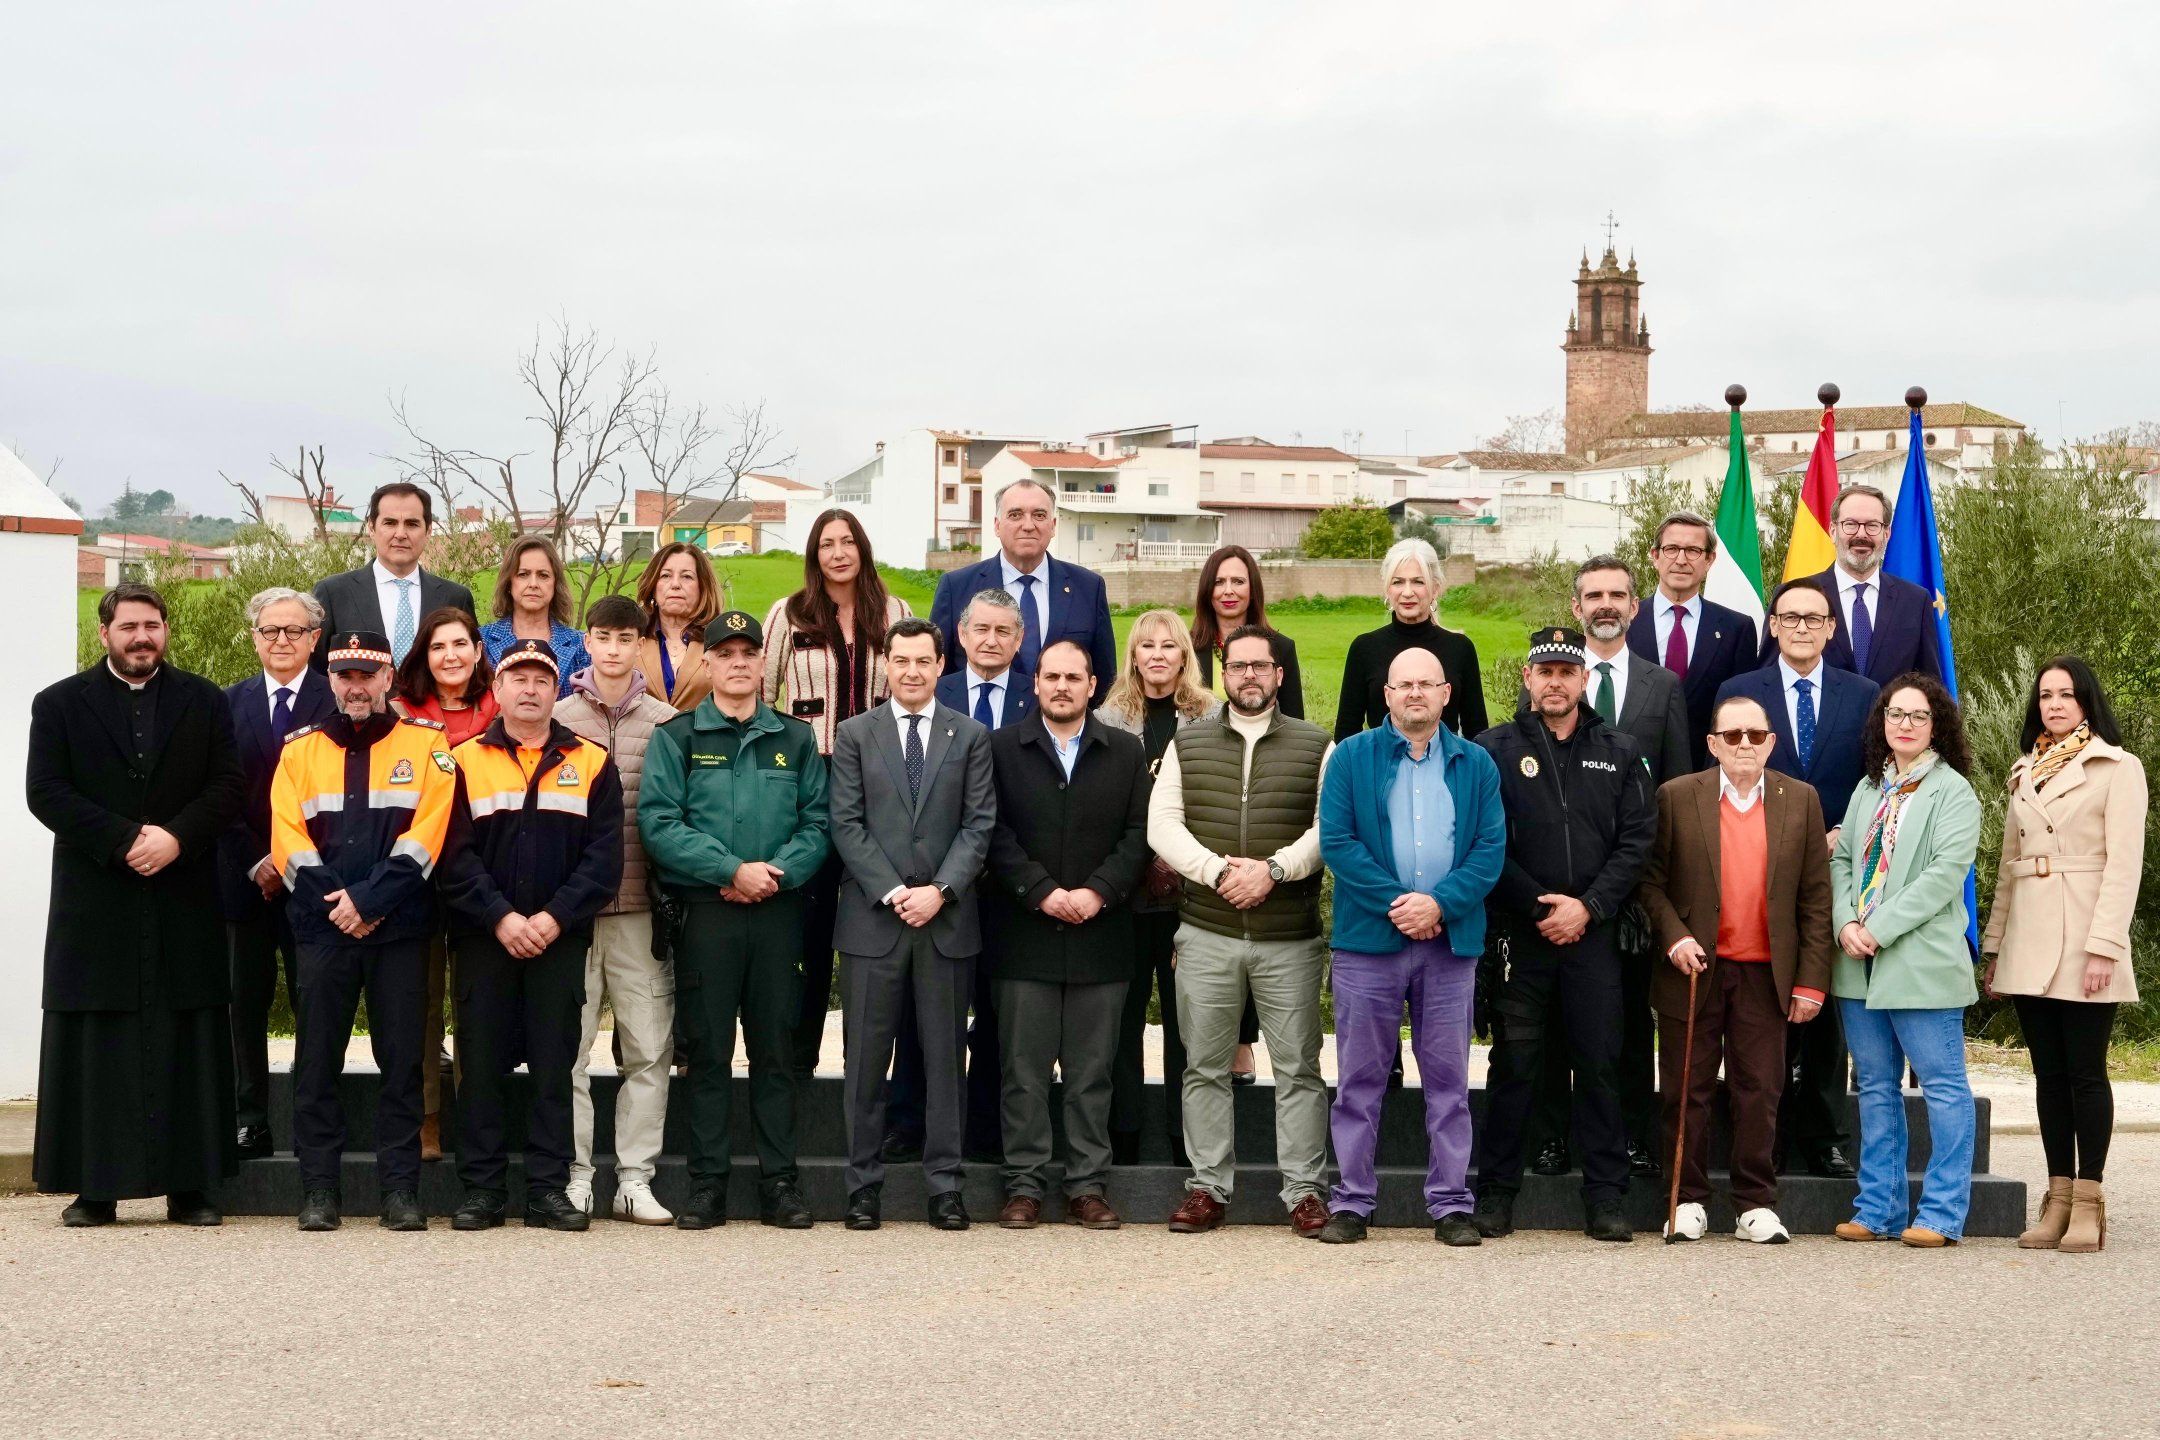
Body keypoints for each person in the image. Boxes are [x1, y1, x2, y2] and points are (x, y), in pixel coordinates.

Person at [28, 585, 244, 1227]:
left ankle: (193, 1187)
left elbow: (228, 786)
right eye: (128, 627)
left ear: (166, 631)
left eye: (152, 625)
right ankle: (94, 1189)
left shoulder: (204, 701)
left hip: (183, 891)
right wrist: (125, 841)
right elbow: (45, 792)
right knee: (98, 1040)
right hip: (97, 898)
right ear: (104, 634)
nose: (141, 637)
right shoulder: (60, 704)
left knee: (189, 1033)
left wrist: (175, 838)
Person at [641, 609, 831, 1230]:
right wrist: (730, 871)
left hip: (778, 912)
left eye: (750, 652)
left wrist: (771, 874)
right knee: (708, 1051)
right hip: (707, 916)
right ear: (709, 662)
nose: (740, 662)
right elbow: (660, 824)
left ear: (762, 663)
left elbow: (818, 823)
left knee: (777, 1050)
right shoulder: (678, 737)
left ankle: (781, 1184)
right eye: (726, 653)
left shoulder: (796, 740)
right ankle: (707, 1185)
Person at [1147, 625, 1334, 1238]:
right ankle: (1207, 1188)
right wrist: (1221, 872)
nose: (1249, 675)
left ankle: (1304, 1192)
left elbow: (1326, 829)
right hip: (1206, 930)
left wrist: (1275, 871)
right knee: (1203, 1066)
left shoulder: (1316, 745)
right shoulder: (1188, 743)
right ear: (1222, 673)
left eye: (1262, 666)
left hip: (1290, 938)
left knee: (1298, 1069)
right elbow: (1163, 827)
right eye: (1238, 666)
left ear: (1280, 675)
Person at [1314, 648, 1506, 1246]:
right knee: (1359, 1080)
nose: (1415, 694)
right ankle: (1351, 1202)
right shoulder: (1351, 757)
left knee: (1449, 1082)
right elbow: (1338, 843)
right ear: (1388, 695)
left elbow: (1489, 849)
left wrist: (1439, 905)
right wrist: (1401, 903)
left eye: (1427, 684)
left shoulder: (1477, 764)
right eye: (1404, 685)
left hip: (1449, 945)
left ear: (1447, 694)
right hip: (1370, 943)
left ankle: (1450, 1203)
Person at [1471, 627, 1656, 1244]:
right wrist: (1538, 906)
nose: (1555, 681)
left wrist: (1589, 906)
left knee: (1600, 1066)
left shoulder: (1620, 749)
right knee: (1515, 1064)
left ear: (1583, 679)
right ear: (1528, 678)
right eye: (1544, 670)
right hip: (1521, 937)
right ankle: (1496, 1192)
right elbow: (1482, 840)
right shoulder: (1491, 749)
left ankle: (1605, 1197)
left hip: (1595, 935)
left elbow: (1637, 842)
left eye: (1566, 671)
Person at [270, 630, 456, 1232]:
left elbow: (429, 833)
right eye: (345, 675)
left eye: (367, 675)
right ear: (330, 678)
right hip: (324, 931)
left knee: (402, 1062)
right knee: (316, 1060)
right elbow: (287, 838)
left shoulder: (428, 746)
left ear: (388, 679)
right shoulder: (299, 750)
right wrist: (340, 905)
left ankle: (400, 1190)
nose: (356, 686)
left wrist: (370, 900)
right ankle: (319, 1189)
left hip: (398, 928)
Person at [438, 640, 623, 1233]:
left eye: (541, 679)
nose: (529, 689)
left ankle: (547, 1191)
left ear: (557, 689)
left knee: (553, 1067)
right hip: (482, 941)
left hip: (558, 941)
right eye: (517, 677)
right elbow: (451, 856)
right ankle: (483, 1191)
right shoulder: (461, 760)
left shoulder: (593, 762)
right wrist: (501, 917)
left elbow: (602, 861)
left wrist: (551, 918)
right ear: (497, 687)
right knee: (482, 1068)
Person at [1637, 695, 1835, 1244]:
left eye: (1755, 734)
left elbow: (1816, 900)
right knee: (1686, 1089)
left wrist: (1812, 980)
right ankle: (1687, 1201)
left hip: (1766, 973)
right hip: (1693, 969)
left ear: (1772, 741)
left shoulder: (1801, 801)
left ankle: (1756, 1203)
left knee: (1760, 1089)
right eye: (1732, 735)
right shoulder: (1677, 797)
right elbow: (1648, 882)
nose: (1744, 744)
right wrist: (1674, 935)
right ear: (1712, 744)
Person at [828, 617, 997, 1231]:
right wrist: (898, 892)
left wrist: (941, 891)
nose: (912, 672)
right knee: (866, 1062)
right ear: (886, 665)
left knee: (945, 1061)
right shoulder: (854, 734)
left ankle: (945, 1187)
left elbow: (979, 826)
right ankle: (862, 1186)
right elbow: (845, 824)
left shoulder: (971, 735)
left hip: (946, 923)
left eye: (924, 661)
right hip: (875, 923)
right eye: (901, 661)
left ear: (939, 664)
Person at [1525, 554, 1691, 1182]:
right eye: (1593, 594)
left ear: (1635, 606)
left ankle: (1632, 1137)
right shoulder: (1549, 678)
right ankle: (1552, 1139)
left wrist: (1646, 886)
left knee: (1625, 1022)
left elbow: (1674, 788)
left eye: (1617, 594)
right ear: (1576, 607)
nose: (1605, 604)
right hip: (1554, 893)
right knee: (1553, 1024)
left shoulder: (1662, 684)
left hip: (1632, 887)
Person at [983, 640, 1152, 1229]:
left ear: (1092, 685)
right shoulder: (1002, 749)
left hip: (1101, 937)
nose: (1060, 686)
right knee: (1022, 1074)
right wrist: (1042, 892)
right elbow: (992, 832)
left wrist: (1097, 891)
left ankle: (1086, 1186)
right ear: (1034, 683)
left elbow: (1139, 835)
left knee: (1091, 1076)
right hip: (1023, 935)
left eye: (1072, 677)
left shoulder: (1126, 752)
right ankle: (1024, 1186)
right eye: (1050, 676)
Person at [1717, 578, 1878, 1181]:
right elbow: (1723, 768)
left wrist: (1846, 834)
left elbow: (1876, 776)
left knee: (1825, 1004)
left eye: (1815, 618)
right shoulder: (1739, 691)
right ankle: (1764, 1132)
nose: (1803, 627)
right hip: (1752, 867)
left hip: (1838, 865)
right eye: (1790, 617)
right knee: (1761, 1006)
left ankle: (1827, 1133)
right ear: (1774, 626)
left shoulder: (1863, 694)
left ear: (1832, 628)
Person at [1983, 656, 2145, 1253]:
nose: (2054, 704)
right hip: (2029, 935)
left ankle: (2089, 1199)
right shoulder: (2026, 771)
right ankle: (2054, 1197)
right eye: (2046, 694)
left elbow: (2125, 866)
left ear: (2087, 702)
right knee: (2047, 1077)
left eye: (2067, 694)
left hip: (2084, 936)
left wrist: (2105, 945)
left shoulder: (2117, 767)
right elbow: (2008, 868)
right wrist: (1995, 946)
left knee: (2085, 1073)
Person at [1829, 673, 1981, 1248]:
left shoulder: (1954, 792)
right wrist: (1846, 921)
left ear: (1936, 724)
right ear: (1883, 722)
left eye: (1918, 716)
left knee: (1943, 1087)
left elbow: (1944, 877)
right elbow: (1842, 860)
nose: (1906, 725)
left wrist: (1877, 928)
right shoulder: (1869, 789)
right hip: (1857, 962)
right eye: (1897, 714)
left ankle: (1940, 1214)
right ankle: (1878, 1209)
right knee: (1874, 1088)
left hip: (1919, 964)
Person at [882, 588, 1032, 1163]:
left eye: (1004, 632)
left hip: (1011, 880)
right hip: (933, 884)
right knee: (919, 1014)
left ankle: (985, 1132)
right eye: (981, 630)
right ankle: (908, 1122)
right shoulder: (926, 691)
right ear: (961, 637)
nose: (991, 640)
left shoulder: (1036, 694)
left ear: (1019, 642)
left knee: (997, 1013)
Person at [761, 508, 912, 1075]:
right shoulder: (788, 613)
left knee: (874, 919)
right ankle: (795, 1063)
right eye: (827, 543)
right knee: (811, 923)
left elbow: (909, 684)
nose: (839, 552)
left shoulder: (895, 612)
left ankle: (868, 1069)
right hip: (811, 773)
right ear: (814, 553)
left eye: (848, 541)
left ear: (863, 548)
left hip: (880, 774)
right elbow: (761, 687)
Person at [555, 594, 682, 1224]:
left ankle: (636, 1176)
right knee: (570, 1052)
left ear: (639, 643)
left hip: (638, 909)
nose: (612, 648)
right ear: (586, 639)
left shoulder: (666, 722)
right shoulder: (556, 719)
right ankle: (577, 1173)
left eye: (625, 637)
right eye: (602, 635)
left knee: (648, 1049)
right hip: (572, 916)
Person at [1097, 609, 1219, 1167]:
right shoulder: (1106, 718)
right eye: (1147, 645)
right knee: (1120, 1024)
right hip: (1123, 897)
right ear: (1133, 654)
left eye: (1169, 646)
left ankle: (1181, 1140)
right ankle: (1122, 1137)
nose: (1157, 655)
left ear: (1184, 656)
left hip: (1188, 900)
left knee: (1186, 1027)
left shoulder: (1212, 716)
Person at [220, 587, 335, 1161]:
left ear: (316, 639)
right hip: (245, 881)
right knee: (245, 1001)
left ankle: (313, 1118)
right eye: (270, 631)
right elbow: (217, 793)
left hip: (314, 881)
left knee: (315, 997)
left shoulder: (336, 702)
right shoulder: (225, 704)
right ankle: (249, 1117)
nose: (282, 641)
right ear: (255, 638)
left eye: (294, 631)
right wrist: (257, 860)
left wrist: (290, 859)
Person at [391, 605, 500, 1157]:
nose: (450, 656)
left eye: (460, 644)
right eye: (438, 647)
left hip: (486, 874)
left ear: (478, 650)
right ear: (424, 656)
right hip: (421, 876)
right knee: (425, 1002)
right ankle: (428, 1118)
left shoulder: (501, 707)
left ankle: (478, 1115)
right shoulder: (402, 713)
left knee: (477, 1000)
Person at [928, 476, 1116, 701]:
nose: (1028, 526)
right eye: (1015, 515)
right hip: (981, 729)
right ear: (997, 525)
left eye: (1039, 515)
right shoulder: (957, 587)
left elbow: (1104, 678)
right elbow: (936, 670)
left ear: (1053, 525)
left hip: (1061, 730)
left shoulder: (1088, 588)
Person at [1627, 510, 1759, 769]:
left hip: (1708, 770)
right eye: (1672, 549)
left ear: (1710, 559)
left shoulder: (1737, 628)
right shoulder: (1625, 622)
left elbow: (1739, 708)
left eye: (1693, 551)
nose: (1681, 559)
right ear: (1655, 556)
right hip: (1634, 768)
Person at [1789, 485, 1943, 686]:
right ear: (1833, 531)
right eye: (1850, 524)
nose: (1861, 534)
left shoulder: (1915, 601)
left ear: (1886, 534)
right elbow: (1770, 679)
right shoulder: (1795, 596)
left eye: (1872, 525)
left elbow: (1929, 684)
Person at [312, 481, 477, 669]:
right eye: (390, 523)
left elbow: (470, 669)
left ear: (429, 531)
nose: (400, 534)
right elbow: (316, 671)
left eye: (412, 524)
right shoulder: (333, 593)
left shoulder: (456, 598)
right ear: (372, 528)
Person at [1335, 537, 1487, 741]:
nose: (1408, 592)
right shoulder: (1364, 648)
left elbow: (1477, 733)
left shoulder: (1460, 648)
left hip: (1445, 769)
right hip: (1381, 770)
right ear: (1387, 589)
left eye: (1418, 581)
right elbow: (1346, 733)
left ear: (1435, 588)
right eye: (1398, 582)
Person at [1190, 544, 1305, 718]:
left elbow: (1294, 720)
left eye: (1238, 581)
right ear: (1207, 590)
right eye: (1218, 582)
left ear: (1252, 590)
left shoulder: (1282, 647)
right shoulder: (1186, 647)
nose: (1228, 591)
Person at [480, 534, 591, 699]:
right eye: (523, 574)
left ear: (555, 583)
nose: (533, 584)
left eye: (543, 575)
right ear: (509, 582)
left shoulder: (581, 646)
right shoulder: (483, 641)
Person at [635, 540, 722, 712]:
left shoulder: (721, 639)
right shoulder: (632, 636)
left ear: (702, 586)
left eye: (687, 576)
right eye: (665, 575)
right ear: (653, 585)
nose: (675, 584)